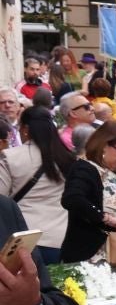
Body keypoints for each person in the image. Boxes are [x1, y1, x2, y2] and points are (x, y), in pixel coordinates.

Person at [0, 108, 75, 267]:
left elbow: (1, 199)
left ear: (26, 129)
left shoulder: (11, 157)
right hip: (60, 238)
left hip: (23, 238)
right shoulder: (67, 158)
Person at [59, 121, 116, 262]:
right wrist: (105, 218)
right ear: (104, 145)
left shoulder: (110, 172)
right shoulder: (85, 169)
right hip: (92, 258)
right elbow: (72, 198)